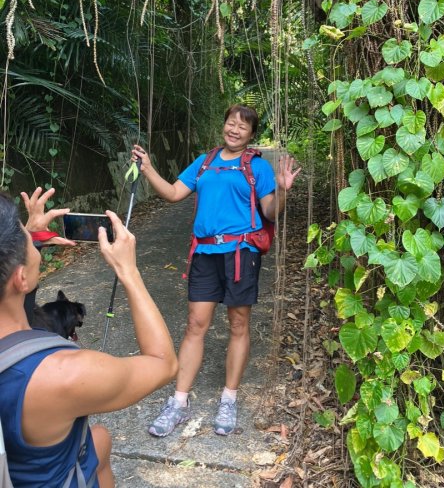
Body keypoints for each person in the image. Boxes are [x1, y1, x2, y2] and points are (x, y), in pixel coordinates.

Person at [131, 104, 300, 437]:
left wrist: (281, 190)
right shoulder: (204, 161)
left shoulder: (258, 167)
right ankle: (178, 402)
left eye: (242, 126)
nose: (234, 129)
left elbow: (270, 211)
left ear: (252, 134)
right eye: (230, 123)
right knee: (196, 324)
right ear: (223, 126)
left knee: (238, 323)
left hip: (241, 252)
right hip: (205, 251)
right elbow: (173, 193)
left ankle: (229, 398)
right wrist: (148, 167)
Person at [0, 187, 178, 487]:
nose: (31, 238)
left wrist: (22, 242)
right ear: (21, 277)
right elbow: (164, 364)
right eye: (25, 237)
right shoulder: (62, 375)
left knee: (101, 439)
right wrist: (128, 271)